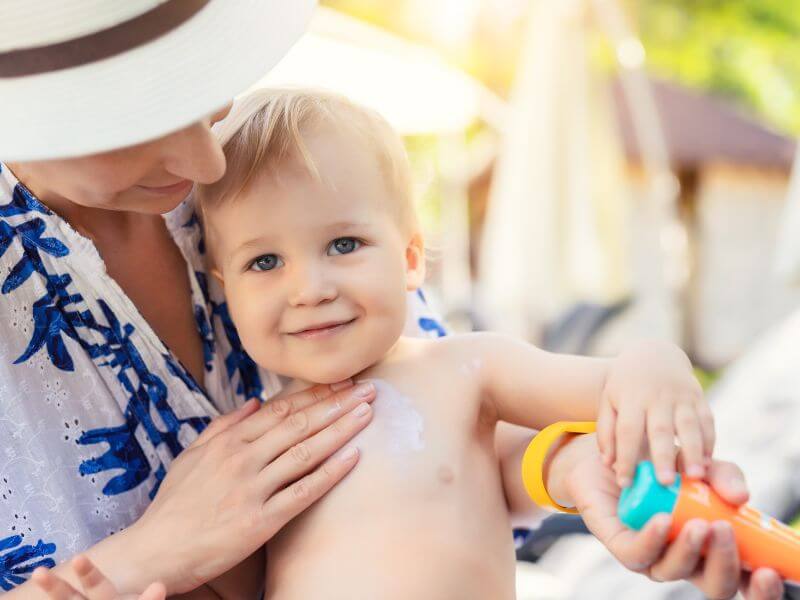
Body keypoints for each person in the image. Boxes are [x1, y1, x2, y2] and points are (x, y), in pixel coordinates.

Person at [0, 1, 783, 599]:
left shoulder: (263, 188)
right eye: (144, 122)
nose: (206, 161)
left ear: (410, 253)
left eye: (206, 103)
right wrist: (147, 554)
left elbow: (462, 444)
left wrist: (576, 466)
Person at [187, 87, 722, 598]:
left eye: (343, 244)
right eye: (264, 261)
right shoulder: (250, 449)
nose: (310, 289)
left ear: (411, 258)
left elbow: (614, 388)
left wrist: (657, 363)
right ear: (223, 287)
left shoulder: (467, 370)